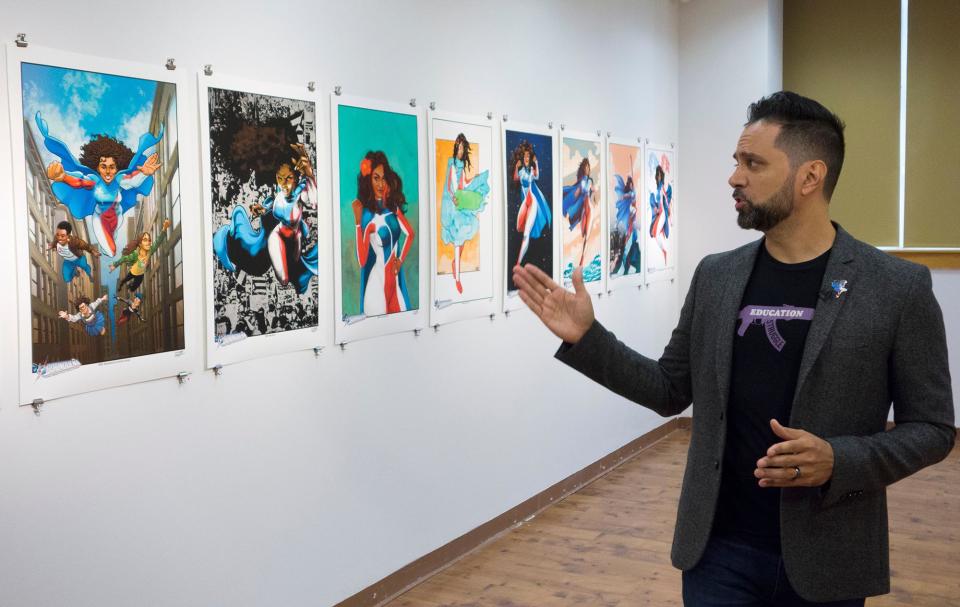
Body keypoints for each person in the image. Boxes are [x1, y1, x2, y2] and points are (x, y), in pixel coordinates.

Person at [513, 91, 954, 605]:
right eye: (736, 162)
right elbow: (669, 389)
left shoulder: (895, 288)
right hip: (718, 551)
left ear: (810, 177)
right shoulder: (717, 276)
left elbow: (934, 429)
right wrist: (588, 340)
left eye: (754, 163)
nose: (734, 177)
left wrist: (839, 458)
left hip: (826, 555)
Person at [36, 112, 162, 257]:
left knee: (112, 238)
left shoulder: (120, 179)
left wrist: (144, 172)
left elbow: (132, 180)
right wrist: (63, 176)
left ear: (117, 167)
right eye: (103, 166)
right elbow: (79, 181)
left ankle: (107, 243)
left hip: (117, 215)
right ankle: (105, 247)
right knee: (111, 251)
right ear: (97, 167)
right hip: (100, 217)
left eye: (112, 167)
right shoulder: (94, 181)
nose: (108, 172)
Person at [212, 144, 319, 295]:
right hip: (278, 236)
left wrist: (309, 173)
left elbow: (314, 200)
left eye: (288, 178)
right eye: (279, 178)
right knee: (283, 279)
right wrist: (262, 210)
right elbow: (275, 208)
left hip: (296, 237)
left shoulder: (301, 192)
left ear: (295, 177)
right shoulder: (279, 193)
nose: (284, 184)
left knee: (297, 274)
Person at [352, 151, 415, 316]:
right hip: (376, 287)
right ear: (368, 181)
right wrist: (358, 223)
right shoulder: (367, 215)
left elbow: (410, 234)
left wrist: (400, 261)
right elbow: (362, 260)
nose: (380, 184)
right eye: (376, 178)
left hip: (394, 284)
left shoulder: (393, 209)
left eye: (383, 178)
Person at [440, 133, 490, 294]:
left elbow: (463, 183)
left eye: (462, 147)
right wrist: (453, 197)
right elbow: (449, 184)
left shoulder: (462, 164)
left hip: (460, 199)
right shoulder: (451, 163)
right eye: (458, 147)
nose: (460, 150)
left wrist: (472, 179)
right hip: (452, 202)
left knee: (466, 231)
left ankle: (456, 263)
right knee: (457, 238)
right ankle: (458, 279)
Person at [512, 140, 552, 268]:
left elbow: (538, 176)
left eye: (528, 156)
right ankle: (521, 259)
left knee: (526, 234)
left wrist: (536, 163)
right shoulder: (521, 170)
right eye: (525, 157)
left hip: (532, 201)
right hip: (525, 202)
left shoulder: (531, 172)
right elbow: (515, 179)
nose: (527, 158)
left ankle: (518, 263)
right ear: (523, 158)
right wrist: (515, 167)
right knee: (519, 228)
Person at [111, 219, 172, 293]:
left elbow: (158, 242)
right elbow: (124, 258)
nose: (148, 242)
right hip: (133, 272)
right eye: (145, 240)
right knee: (124, 280)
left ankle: (130, 285)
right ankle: (121, 285)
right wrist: (114, 265)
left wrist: (164, 228)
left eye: (149, 240)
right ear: (140, 244)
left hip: (140, 274)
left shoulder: (150, 250)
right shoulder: (135, 254)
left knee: (132, 289)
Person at [562, 157, 595, 267]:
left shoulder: (589, 181)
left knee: (587, 235)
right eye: (585, 166)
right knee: (583, 233)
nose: (587, 168)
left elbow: (592, 190)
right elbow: (576, 193)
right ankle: (580, 260)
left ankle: (582, 261)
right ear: (583, 168)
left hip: (589, 208)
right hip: (583, 209)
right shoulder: (582, 182)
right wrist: (568, 207)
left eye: (588, 167)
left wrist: (592, 189)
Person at [611, 174, 640, 275]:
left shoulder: (633, 194)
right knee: (624, 248)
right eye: (630, 184)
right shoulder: (630, 195)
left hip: (632, 225)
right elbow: (626, 196)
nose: (631, 186)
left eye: (632, 185)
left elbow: (632, 199)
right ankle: (621, 266)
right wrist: (628, 195)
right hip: (628, 222)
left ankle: (624, 266)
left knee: (628, 248)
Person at [649, 154, 674, 266]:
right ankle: (664, 252)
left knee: (656, 232)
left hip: (663, 212)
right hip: (659, 213)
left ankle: (665, 254)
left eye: (660, 175)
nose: (659, 177)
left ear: (662, 176)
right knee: (654, 233)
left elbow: (666, 200)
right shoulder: (656, 189)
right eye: (657, 175)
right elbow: (653, 200)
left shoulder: (664, 187)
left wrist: (668, 209)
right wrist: (654, 207)